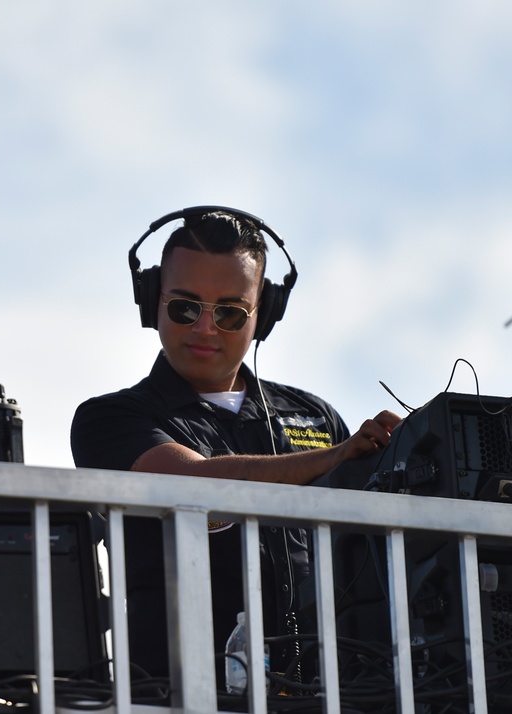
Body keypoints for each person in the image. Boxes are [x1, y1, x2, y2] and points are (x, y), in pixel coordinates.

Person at [70, 208, 400, 691]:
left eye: (229, 312)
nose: (205, 328)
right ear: (151, 301)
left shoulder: (317, 416)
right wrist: (331, 458)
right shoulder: (110, 417)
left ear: (262, 313)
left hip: (328, 693)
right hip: (177, 695)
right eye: (185, 307)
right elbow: (193, 484)